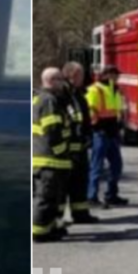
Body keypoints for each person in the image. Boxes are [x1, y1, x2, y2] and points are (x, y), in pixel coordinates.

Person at [32, 67, 72, 242]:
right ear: (52, 81)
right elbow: (52, 131)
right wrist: (63, 150)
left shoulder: (42, 98)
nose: (63, 83)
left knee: (51, 199)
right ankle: (40, 233)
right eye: (60, 80)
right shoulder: (49, 101)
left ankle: (48, 229)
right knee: (46, 199)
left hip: (48, 159)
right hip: (50, 160)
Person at [61, 62, 99, 224]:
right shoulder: (63, 95)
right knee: (64, 185)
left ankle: (81, 213)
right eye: (81, 75)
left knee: (79, 183)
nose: (84, 78)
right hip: (68, 150)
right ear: (73, 76)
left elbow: (83, 119)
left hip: (80, 148)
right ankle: (58, 218)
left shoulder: (77, 94)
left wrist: (88, 136)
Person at [86, 65, 128, 208]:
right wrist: (95, 127)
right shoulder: (95, 89)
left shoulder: (114, 89)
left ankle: (111, 195)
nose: (117, 77)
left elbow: (116, 111)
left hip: (112, 133)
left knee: (117, 166)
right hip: (101, 133)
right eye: (115, 75)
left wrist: (121, 124)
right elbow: (90, 110)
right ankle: (91, 197)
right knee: (97, 166)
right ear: (107, 75)